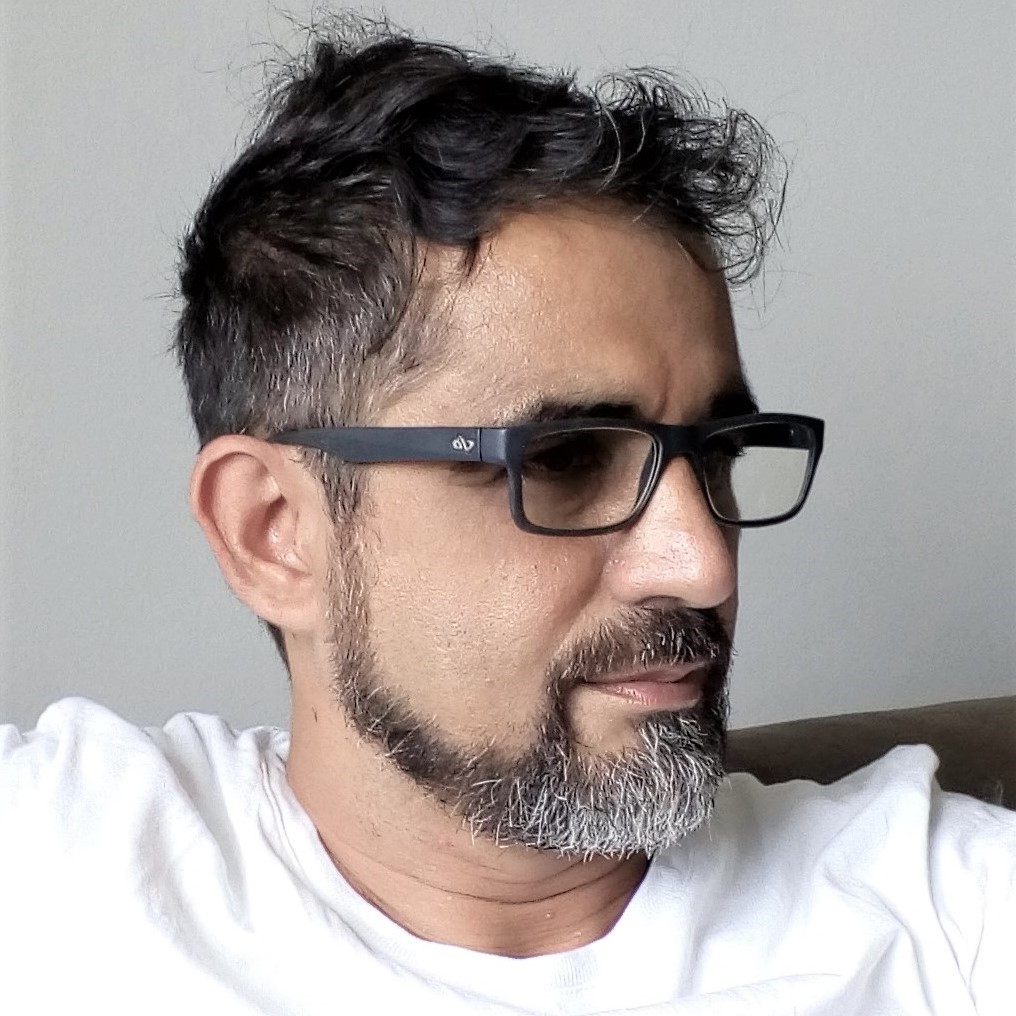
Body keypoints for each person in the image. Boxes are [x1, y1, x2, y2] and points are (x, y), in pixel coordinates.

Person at [1, 21, 1012, 1016]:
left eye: (716, 454)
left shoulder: (943, 916)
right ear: (274, 532)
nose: (700, 562)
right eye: (562, 459)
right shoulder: (58, 863)